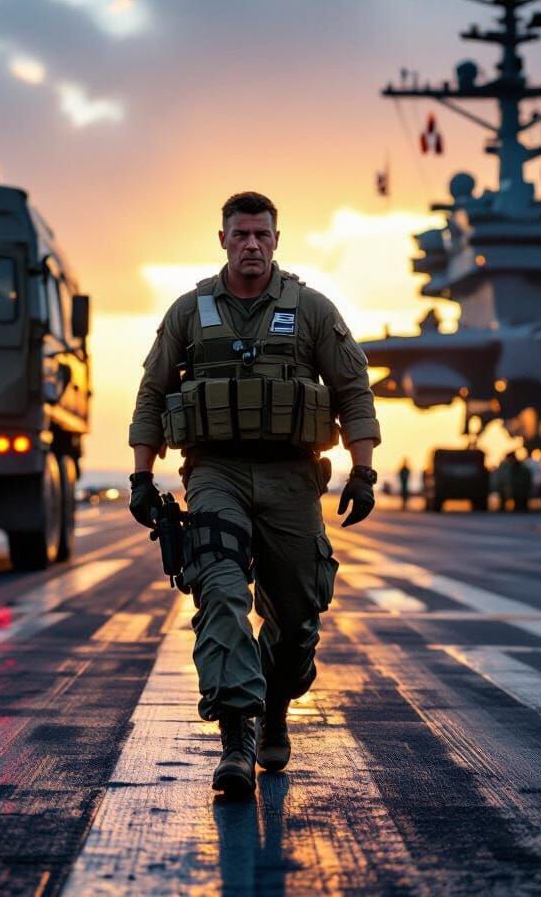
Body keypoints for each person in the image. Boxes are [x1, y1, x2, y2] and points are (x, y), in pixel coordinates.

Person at [128, 191, 381, 798]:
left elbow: (353, 390)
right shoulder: (189, 312)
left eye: (261, 235)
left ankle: (273, 708)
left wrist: (363, 470)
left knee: (296, 622)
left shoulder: (312, 309)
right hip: (215, 471)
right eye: (240, 234)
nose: (250, 245)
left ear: (276, 239)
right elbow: (150, 393)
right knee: (218, 592)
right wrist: (141, 476)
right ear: (222, 239)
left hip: (293, 476)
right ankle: (236, 739)